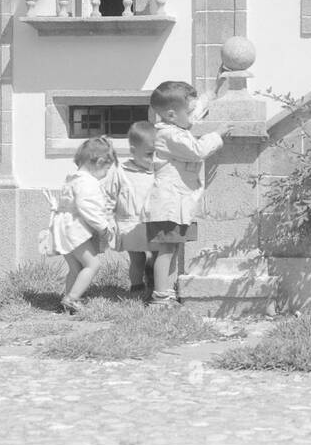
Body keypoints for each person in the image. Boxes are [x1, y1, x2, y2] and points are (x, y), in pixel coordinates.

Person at [144, 80, 228, 307]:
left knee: (171, 249)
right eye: (188, 111)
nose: (192, 115)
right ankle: (160, 297)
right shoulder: (170, 135)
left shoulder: (175, 128)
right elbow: (197, 151)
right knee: (166, 249)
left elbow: (192, 115)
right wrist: (217, 135)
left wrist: (211, 93)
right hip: (169, 205)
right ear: (171, 115)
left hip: (176, 205)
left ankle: (165, 290)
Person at [48, 135, 118, 314]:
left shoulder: (72, 179)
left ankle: (67, 299)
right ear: (99, 162)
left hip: (62, 229)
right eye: (107, 169)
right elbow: (88, 207)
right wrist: (103, 226)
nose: (105, 175)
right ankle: (72, 299)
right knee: (93, 265)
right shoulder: (88, 182)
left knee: (75, 267)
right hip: (74, 231)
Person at [103, 120, 160, 299]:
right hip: (130, 223)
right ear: (134, 151)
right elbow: (108, 196)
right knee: (137, 259)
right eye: (149, 154)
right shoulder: (120, 172)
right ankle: (136, 287)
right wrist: (108, 218)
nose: (153, 159)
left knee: (158, 256)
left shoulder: (159, 170)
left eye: (157, 154)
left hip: (154, 222)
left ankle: (156, 285)